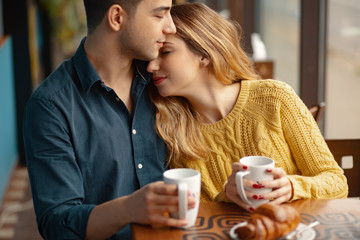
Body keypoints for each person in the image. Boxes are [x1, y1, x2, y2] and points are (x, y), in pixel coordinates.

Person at [147, 2, 348, 212]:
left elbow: (337, 182)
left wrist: (291, 187)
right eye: (152, 57)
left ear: (204, 55)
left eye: (166, 52)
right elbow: (196, 216)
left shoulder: (275, 98)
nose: (152, 66)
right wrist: (228, 195)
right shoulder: (171, 128)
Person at [23, 1, 196, 239]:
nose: (172, 27)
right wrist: (128, 209)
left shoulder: (166, 76)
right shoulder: (51, 106)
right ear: (116, 17)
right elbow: (57, 224)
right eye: (160, 15)